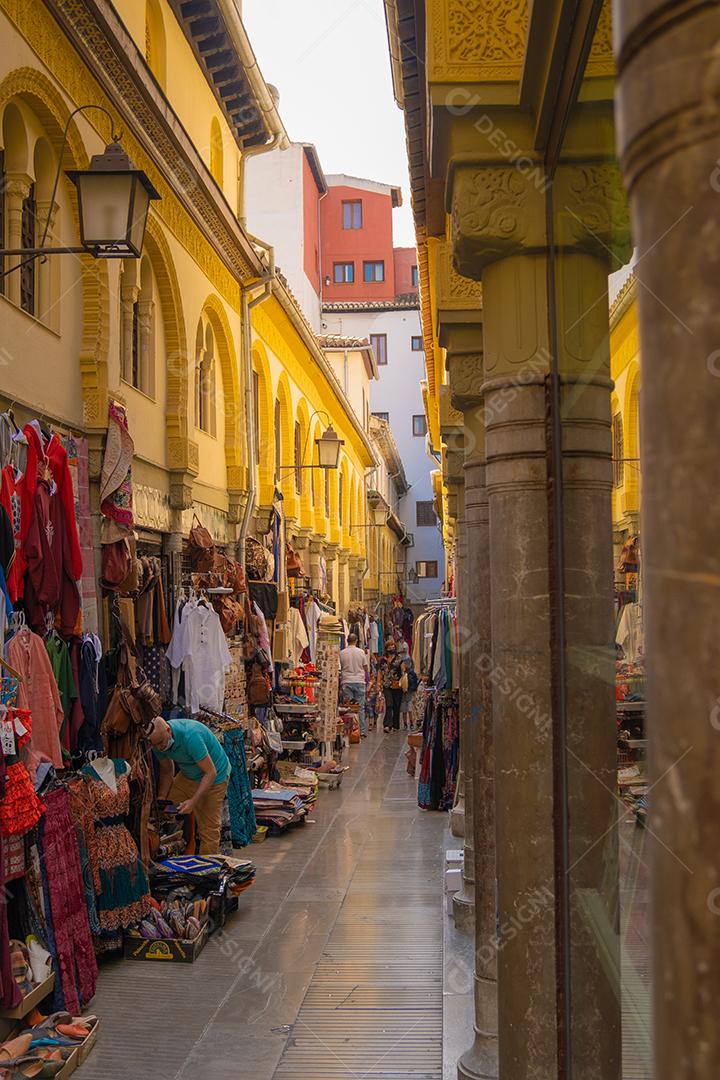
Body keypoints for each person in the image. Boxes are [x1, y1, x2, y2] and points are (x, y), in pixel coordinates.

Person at [147, 716, 231, 854]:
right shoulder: (157, 741)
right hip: (188, 775)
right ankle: (178, 853)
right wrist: (162, 797)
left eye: (161, 743)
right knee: (165, 810)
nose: (159, 747)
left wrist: (193, 802)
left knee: (208, 830)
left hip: (214, 779)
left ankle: (206, 870)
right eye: (154, 745)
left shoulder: (191, 736)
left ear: (168, 730)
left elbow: (211, 773)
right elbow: (167, 771)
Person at [339, 633, 369, 737]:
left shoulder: (342, 653)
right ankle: (362, 731)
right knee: (360, 708)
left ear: (347, 641)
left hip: (347, 681)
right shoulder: (361, 652)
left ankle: (351, 732)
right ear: (356, 641)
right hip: (360, 681)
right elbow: (365, 667)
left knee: (349, 708)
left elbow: (340, 668)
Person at [378, 641, 403, 733]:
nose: (391, 647)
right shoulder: (382, 660)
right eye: (389, 646)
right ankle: (387, 725)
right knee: (389, 704)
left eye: (393, 645)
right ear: (386, 648)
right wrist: (378, 684)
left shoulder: (399, 659)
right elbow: (380, 672)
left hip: (397, 685)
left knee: (396, 705)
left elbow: (403, 671)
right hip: (386, 685)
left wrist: (403, 682)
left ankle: (395, 725)